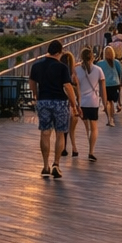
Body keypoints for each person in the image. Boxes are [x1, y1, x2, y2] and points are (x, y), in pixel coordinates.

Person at [28, 40, 74, 179]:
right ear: (60, 52)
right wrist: (74, 103)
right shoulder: (62, 67)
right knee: (60, 133)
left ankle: (45, 166)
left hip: (43, 101)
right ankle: (56, 164)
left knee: (45, 133)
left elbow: (32, 83)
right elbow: (68, 86)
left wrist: (36, 94)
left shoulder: (36, 65)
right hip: (60, 102)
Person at [72, 47, 104, 160]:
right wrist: (104, 103)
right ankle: (91, 152)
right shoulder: (98, 70)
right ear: (93, 57)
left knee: (75, 126)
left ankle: (74, 147)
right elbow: (102, 89)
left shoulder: (76, 70)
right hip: (93, 102)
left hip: (81, 103)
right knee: (94, 128)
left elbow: (74, 85)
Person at [97, 46, 122, 126]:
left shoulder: (100, 63)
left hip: (105, 85)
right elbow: (120, 73)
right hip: (115, 84)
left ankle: (109, 118)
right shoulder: (117, 62)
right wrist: (120, 83)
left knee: (107, 102)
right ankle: (111, 117)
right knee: (111, 101)